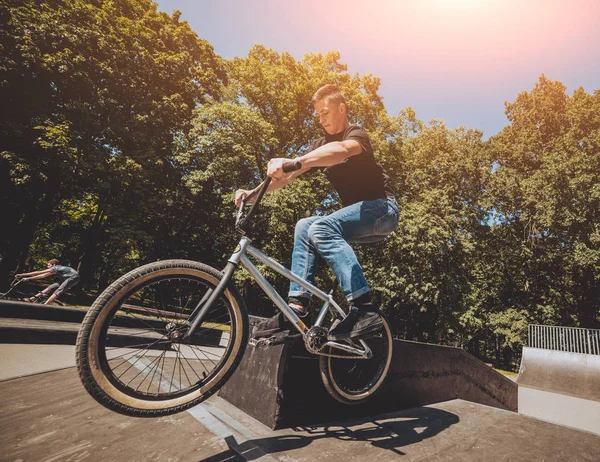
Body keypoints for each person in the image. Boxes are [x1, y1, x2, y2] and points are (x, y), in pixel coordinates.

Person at [235, 84, 399, 341]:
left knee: (320, 227)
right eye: (318, 116)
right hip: (359, 218)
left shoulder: (356, 134)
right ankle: (296, 310)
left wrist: (298, 161)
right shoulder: (319, 145)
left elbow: (342, 151)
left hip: (382, 210)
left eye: (325, 113)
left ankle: (364, 309)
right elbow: (288, 177)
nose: (321, 120)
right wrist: (252, 193)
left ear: (341, 109)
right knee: (304, 225)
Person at [15, 259, 80, 305]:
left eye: (49, 265)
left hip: (73, 278)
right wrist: (28, 278)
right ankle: (32, 299)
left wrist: (22, 274)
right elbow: (42, 276)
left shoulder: (56, 268)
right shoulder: (57, 269)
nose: (47, 267)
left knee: (58, 291)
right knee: (50, 287)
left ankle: (45, 305)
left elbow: (39, 272)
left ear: (53, 265)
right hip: (67, 278)